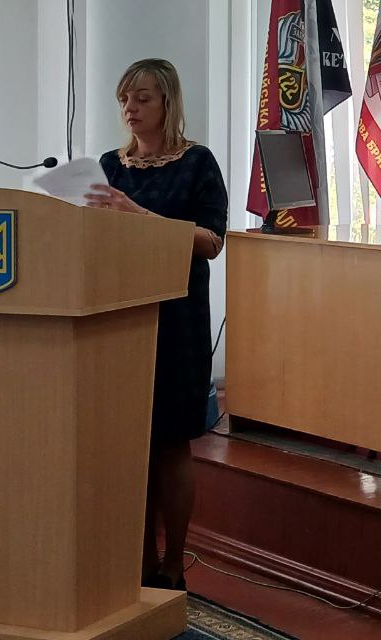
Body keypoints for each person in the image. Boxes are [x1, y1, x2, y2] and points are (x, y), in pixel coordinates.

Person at [86, 58, 228, 592]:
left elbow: (211, 242)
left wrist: (137, 215)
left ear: (168, 102)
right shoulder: (110, 165)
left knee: (169, 442)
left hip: (176, 320)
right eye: (124, 99)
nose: (130, 108)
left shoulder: (197, 163)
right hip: (119, 316)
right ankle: (140, 561)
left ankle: (173, 563)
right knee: (131, 443)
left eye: (142, 98)